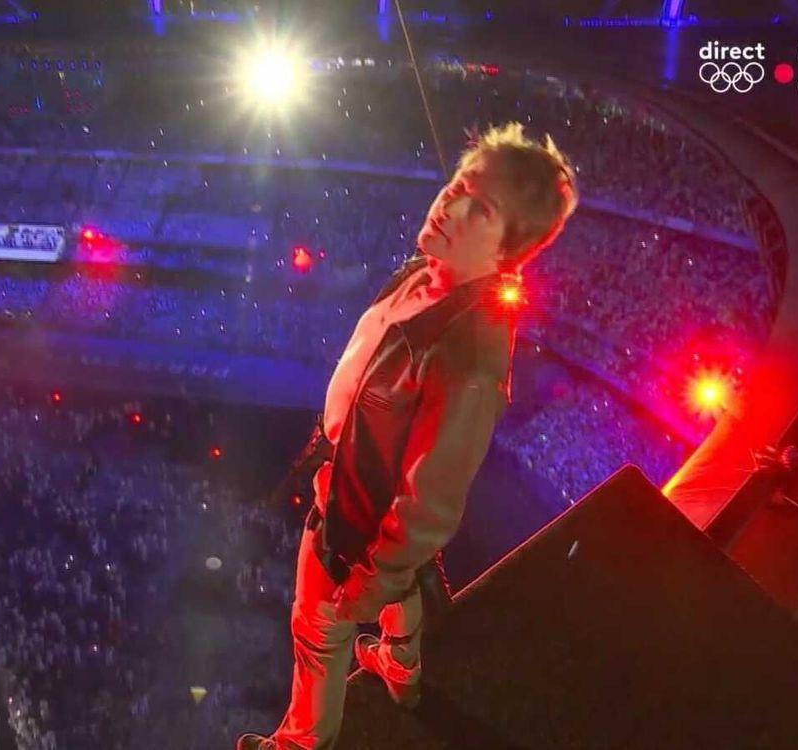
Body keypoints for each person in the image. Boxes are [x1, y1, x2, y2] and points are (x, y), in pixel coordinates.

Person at [238, 122, 578, 750]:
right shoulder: (423, 275)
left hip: (356, 520)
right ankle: (403, 668)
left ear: (509, 249)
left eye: (481, 208)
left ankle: (301, 743)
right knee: (413, 577)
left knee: (317, 632)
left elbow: (431, 504)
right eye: (458, 185)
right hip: (363, 491)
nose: (451, 203)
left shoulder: (472, 357)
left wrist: (366, 582)